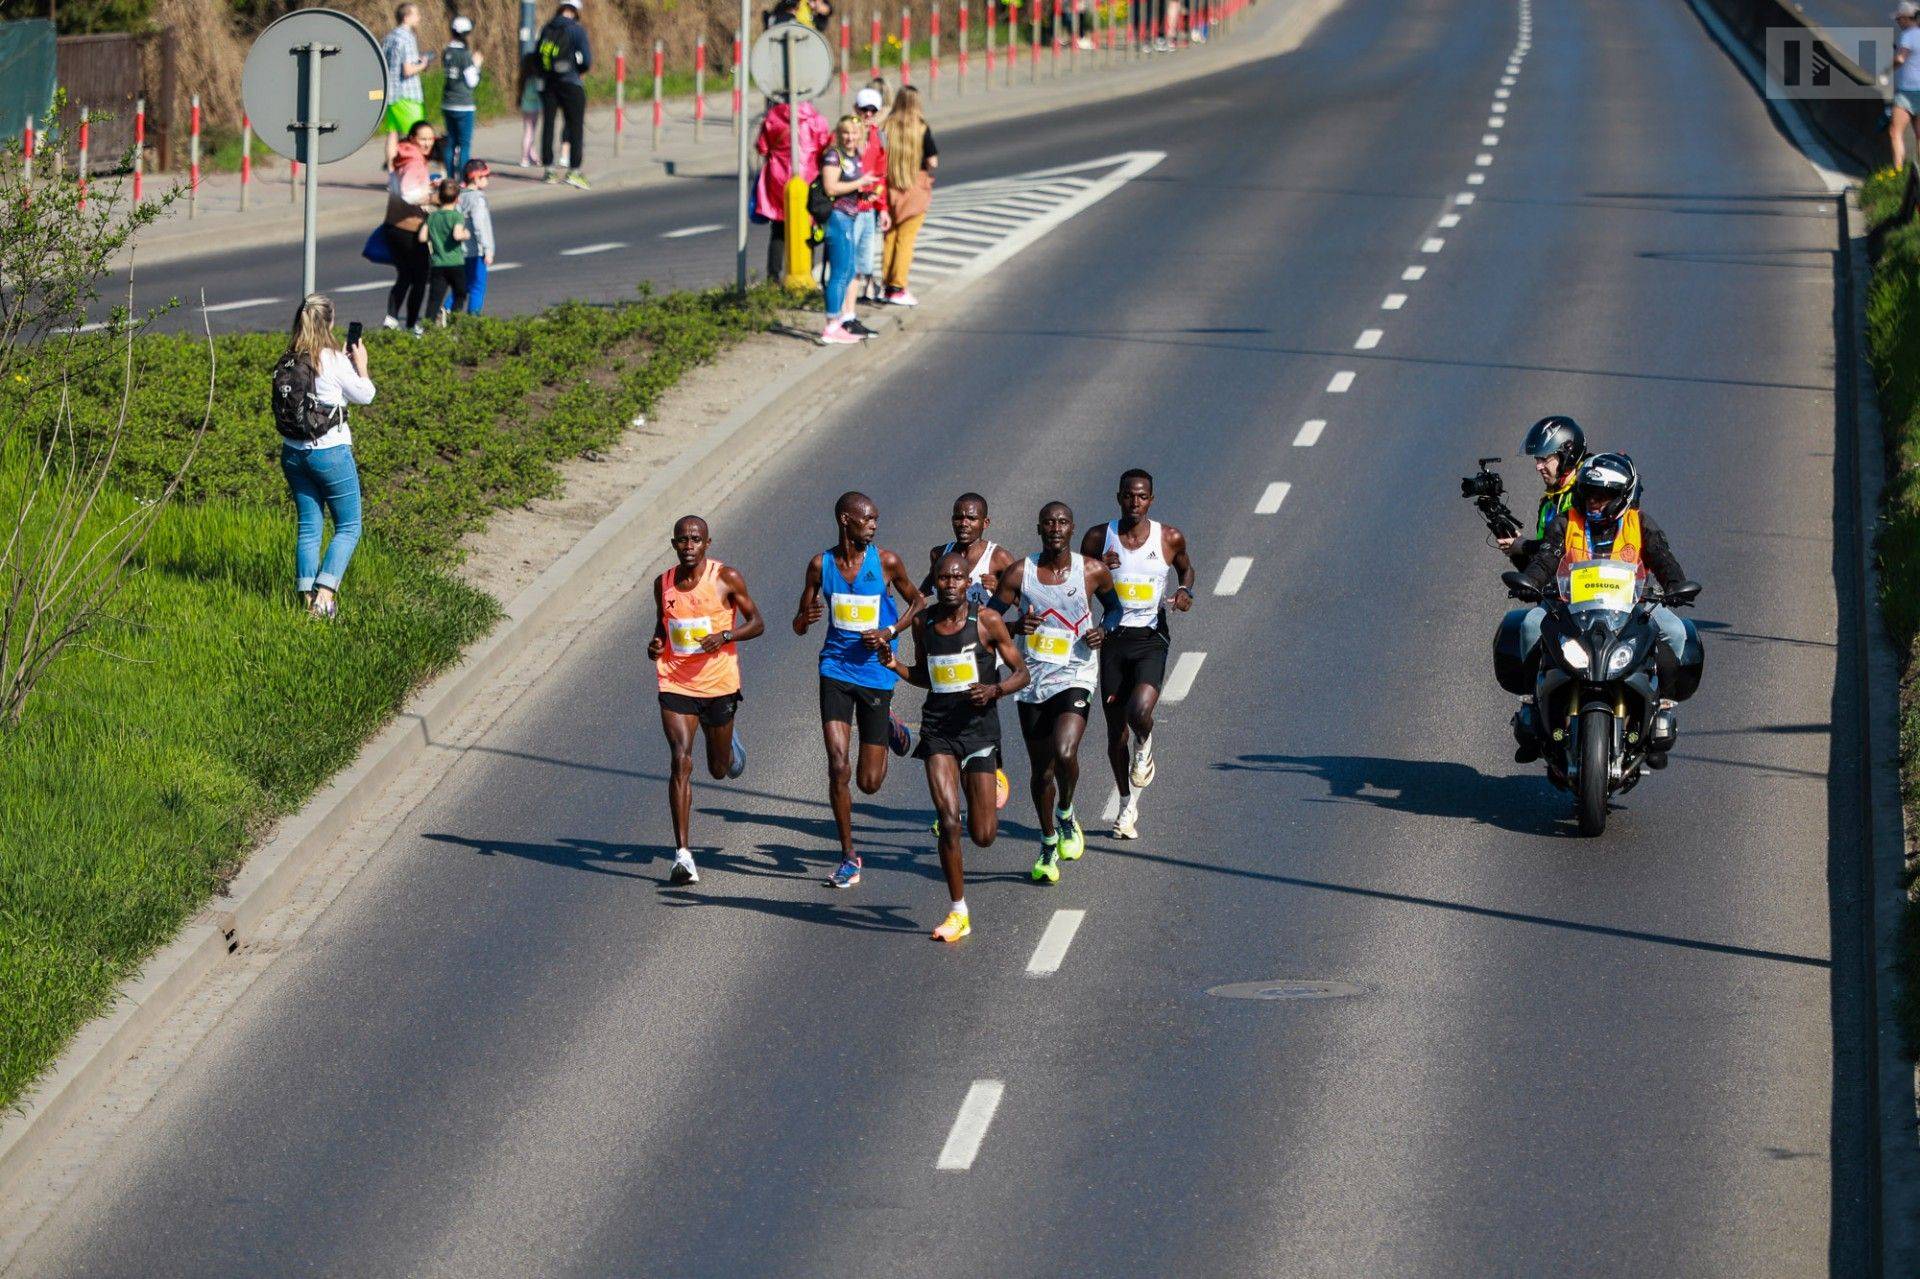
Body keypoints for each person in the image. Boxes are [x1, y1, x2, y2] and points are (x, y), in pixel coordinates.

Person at [1513, 453, 1702, 766]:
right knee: (1530, 626)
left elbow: (1663, 559)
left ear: (1622, 497)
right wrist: (1530, 582)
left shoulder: (1639, 523)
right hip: (1571, 607)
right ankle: (1534, 709)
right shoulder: (1566, 522)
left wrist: (1675, 586)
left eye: (1602, 496)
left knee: (1677, 632)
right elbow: (1546, 558)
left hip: (1632, 608)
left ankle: (1660, 711)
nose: (1594, 502)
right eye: (1589, 494)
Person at [878, 553, 1029, 941]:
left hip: (979, 733)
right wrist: (896, 667)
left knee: (983, 835)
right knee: (948, 822)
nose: (949, 584)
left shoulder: (987, 622)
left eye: (957, 578)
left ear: (968, 583)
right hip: (939, 730)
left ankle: (992, 776)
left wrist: (993, 689)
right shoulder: (924, 623)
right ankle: (958, 911)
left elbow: (1021, 673)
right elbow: (927, 677)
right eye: (942, 578)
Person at [792, 491, 925, 890]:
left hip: (875, 673)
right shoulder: (820, 565)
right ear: (846, 520)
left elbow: (918, 600)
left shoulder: (886, 562)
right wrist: (806, 616)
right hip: (835, 668)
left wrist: (889, 631)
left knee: (869, 782)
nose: (874, 524)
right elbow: (799, 625)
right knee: (838, 765)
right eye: (867, 518)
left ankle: (889, 725)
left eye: (876, 519)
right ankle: (849, 856)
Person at [993, 503, 1116, 883]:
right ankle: (1048, 841)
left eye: (1062, 522)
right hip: (1032, 678)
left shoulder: (1092, 570)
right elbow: (991, 619)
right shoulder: (1020, 572)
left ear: (1072, 528)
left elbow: (1114, 609)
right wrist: (1016, 624)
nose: (1056, 528)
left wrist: (1104, 630)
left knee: (1065, 752)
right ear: (1040, 528)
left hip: (1076, 672)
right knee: (1040, 770)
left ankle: (1066, 812)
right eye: (1049, 522)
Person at [648, 515, 765, 885]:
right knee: (681, 760)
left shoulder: (725, 578)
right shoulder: (663, 583)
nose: (688, 546)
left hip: (719, 685)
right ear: (673, 544)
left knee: (719, 767)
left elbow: (757, 622)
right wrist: (656, 645)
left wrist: (726, 635)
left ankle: (729, 746)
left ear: (707, 543)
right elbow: (662, 625)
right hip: (676, 683)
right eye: (682, 540)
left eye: (695, 539)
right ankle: (682, 854)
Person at [1078, 468, 1194, 839]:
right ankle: (1127, 806)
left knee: (1139, 711)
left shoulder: (1169, 537)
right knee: (1115, 735)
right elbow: (1074, 581)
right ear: (1118, 497)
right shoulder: (1099, 536)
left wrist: (1186, 593)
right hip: (1112, 639)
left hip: (1150, 636)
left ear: (1151, 500)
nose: (1135, 503)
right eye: (1129, 496)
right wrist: (1098, 569)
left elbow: (1186, 570)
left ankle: (1146, 741)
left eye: (1142, 496)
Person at [273, 296, 373, 621]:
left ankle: (306, 601)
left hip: (293, 454)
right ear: (329, 323)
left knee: (309, 527)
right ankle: (325, 597)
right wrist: (361, 365)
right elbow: (366, 395)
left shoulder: (289, 359)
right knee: (349, 526)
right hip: (330, 454)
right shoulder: (333, 359)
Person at [753, 94, 833, 281]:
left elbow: (762, 148)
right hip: (807, 177)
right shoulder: (816, 120)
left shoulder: (772, 118)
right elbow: (824, 146)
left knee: (779, 227)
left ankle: (773, 276)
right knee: (808, 226)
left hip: (778, 178)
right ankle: (807, 272)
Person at [818, 114, 883, 345]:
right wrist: (859, 183)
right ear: (839, 133)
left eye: (854, 133)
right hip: (837, 218)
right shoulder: (834, 156)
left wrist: (866, 193)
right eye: (845, 132)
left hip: (850, 216)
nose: (850, 137)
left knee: (849, 269)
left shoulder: (854, 156)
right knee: (839, 273)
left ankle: (838, 323)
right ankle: (831, 327)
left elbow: (851, 188)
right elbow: (831, 187)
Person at [1497, 414, 1590, 570]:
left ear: (1567, 455)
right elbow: (1544, 561)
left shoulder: (1590, 494)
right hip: (1560, 588)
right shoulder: (1548, 503)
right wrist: (1517, 551)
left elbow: (1574, 545)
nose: (1538, 466)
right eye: (1536, 459)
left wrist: (1525, 546)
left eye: (1544, 459)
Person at [880, 86, 937, 307]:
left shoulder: (887, 127)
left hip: (890, 186)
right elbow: (932, 161)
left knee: (890, 237)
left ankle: (886, 285)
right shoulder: (921, 128)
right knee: (906, 239)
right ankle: (898, 287)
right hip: (914, 187)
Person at [382, 119, 438, 336]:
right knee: (420, 277)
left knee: (405, 275)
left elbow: (397, 184)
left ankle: (392, 319)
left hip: (393, 224)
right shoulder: (414, 160)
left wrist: (426, 187)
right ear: (413, 139)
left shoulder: (404, 154)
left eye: (430, 139)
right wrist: (433, 197)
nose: (427, 143)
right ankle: (412, 324)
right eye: (423, 139)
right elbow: (408, 193)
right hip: (409, 228)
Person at [537, 0, 593, 189]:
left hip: (549, 83)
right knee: (575, 126)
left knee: (548, 125)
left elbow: (538, 55)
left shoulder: (547, 27)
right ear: (576, 11)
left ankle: (549, 170)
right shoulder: (576, 30)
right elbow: (586, 60)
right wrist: (578, 68)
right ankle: (574, 171)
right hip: (571, 82)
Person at [925, 492, 1016, 606]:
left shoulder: (999, 558)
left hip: (983, 623)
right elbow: (921, 595)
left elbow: (1024, 603)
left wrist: (1001, 590)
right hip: (947, 622)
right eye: (958, 518)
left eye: (971, 518)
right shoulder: (940, 554)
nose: (964, 523)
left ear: (985, 523)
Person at [850, 88, 889, 318]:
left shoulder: (879, 137)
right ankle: (848, 298)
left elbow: (881, 174)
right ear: (856, 109)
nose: (867, 114)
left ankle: (868, 286)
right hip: (848, 206)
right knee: (849, 252)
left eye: (872, 110)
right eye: (864, 109)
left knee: (866, 251)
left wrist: (882, 206)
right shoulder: (848, 134)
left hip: (868, 207)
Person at [380, 3, 432, 172]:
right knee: (417, 136)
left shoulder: (389, 37)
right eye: (416, 14)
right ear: (406, 17)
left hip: (391, 94)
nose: (419, 17)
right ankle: (413, 170)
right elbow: (408, 69)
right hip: (408, 94)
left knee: (392, 134)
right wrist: (423, 64)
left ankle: (391, 170)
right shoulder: (408, 37)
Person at [447, 160, 496, 316]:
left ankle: (445, 311)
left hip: (458, 251)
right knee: (477, 287)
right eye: (486, 176)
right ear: (476, 178)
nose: (488, 179)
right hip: (476, 251)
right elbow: (480, 226)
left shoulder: (459, 196)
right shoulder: (478, 199)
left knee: (461, 286)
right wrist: (488, 249)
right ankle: (473, 319)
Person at [420, 178, 471, 323]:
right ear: (457, 199)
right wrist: (466, 234)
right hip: (455, 262)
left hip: (437, 264)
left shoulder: (433, 217)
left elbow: (422, 237)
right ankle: (454, 322)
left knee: (435, 298)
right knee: (460, 293)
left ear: (440, 197)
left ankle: (428, 326)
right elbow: (457, 234)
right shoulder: (456, 216)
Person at [440, 15, 484, 179]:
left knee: (451, 142)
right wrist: (477, 64)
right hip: (463, 104)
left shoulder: (447, 52)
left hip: (447, 102)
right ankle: (464, 178)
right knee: (464, 145)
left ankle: (450, 178)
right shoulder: (464, 55)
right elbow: (472, 82)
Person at [1893, 4, 1920, 170]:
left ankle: (1897, 173)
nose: (1897, 22)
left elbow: (1900, 59)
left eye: (1898, 19)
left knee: (1895, 132)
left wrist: (1887, 69)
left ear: (1906, 18)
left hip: (1907, 92)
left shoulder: (1908, 35)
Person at [517, 45, 546, 168]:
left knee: (527, 131)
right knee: (530, 132)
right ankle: (525, 158)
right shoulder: (536, 79)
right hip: (534, 107)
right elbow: (540, 92)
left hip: (525, 106)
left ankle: (531, 155)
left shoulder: (524, 78)